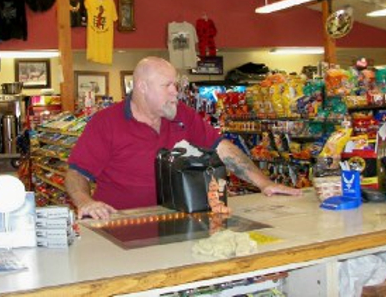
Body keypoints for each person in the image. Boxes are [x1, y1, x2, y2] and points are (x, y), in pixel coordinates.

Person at [65, 57, 301, 220]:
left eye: (175, 85)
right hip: (121, 224)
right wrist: (85, 202)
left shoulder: (183, 115)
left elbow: (223, 149)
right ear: (142, 87)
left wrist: (264, 183)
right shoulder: (106, 123)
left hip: (175, 220)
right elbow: (77, 173)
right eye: (167, 85)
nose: (174, 92)